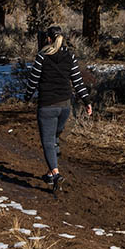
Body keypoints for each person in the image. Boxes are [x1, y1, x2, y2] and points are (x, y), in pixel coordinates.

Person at [24, 25, 91, 193]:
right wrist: (87, 101)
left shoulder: (41, 57)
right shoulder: (70, 57)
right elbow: (77, 81)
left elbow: (33, 81)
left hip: (47, 106)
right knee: (54, 138)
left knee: (48, 141)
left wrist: (27, 96)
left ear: (48, 39)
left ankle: (56, 175)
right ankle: (49, 172)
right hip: (64, 107)